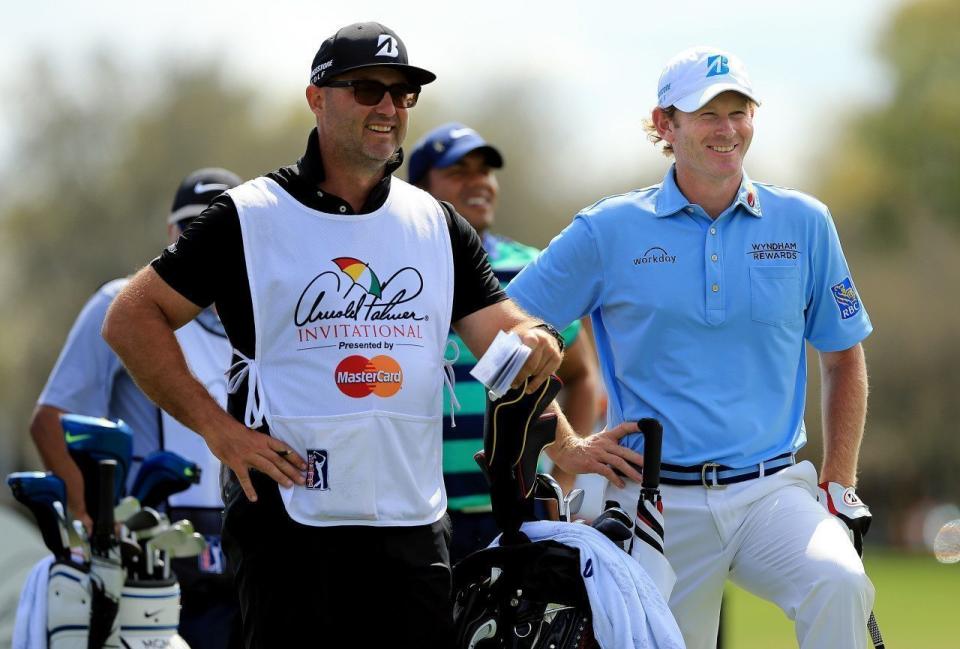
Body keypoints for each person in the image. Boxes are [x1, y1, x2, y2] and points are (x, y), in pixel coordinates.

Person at [100, 22, 643, 649]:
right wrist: (219, 432)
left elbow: (504, 347)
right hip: (289, 524)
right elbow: (132, 318)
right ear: (317, 97)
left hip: (411, 524)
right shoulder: (249, 216)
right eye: (366, 89)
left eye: (402, 93)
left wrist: (560, 424)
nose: (388, 107)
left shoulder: (435, 222)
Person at [506, 46, 876, 649]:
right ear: (665, 125)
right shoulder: (608, 229)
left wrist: (838, 482)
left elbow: (843, 357)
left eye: (739, 111)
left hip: (771, 489)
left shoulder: (805, 222)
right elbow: (500, 338)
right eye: (707, 113)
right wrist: (563, 445)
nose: (726, 129)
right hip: (651, 498)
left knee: (839, 581)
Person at [30, 168, 244, 649]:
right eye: (194, 230)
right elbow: (51, 422)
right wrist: (94, 527)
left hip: (242, 551)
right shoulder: (124, 305)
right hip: (154, 556)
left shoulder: (260, 321)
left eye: (222, 230)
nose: (206, 243)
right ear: (172, 237)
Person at [408, 122, 601, 561]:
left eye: (485, 171)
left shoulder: (531, 268)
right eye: (458, 171)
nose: (478, 183)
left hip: (514, 510)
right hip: (417, 513)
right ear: (420, 188)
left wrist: (563, 481)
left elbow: (581, 375)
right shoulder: (400, 272)